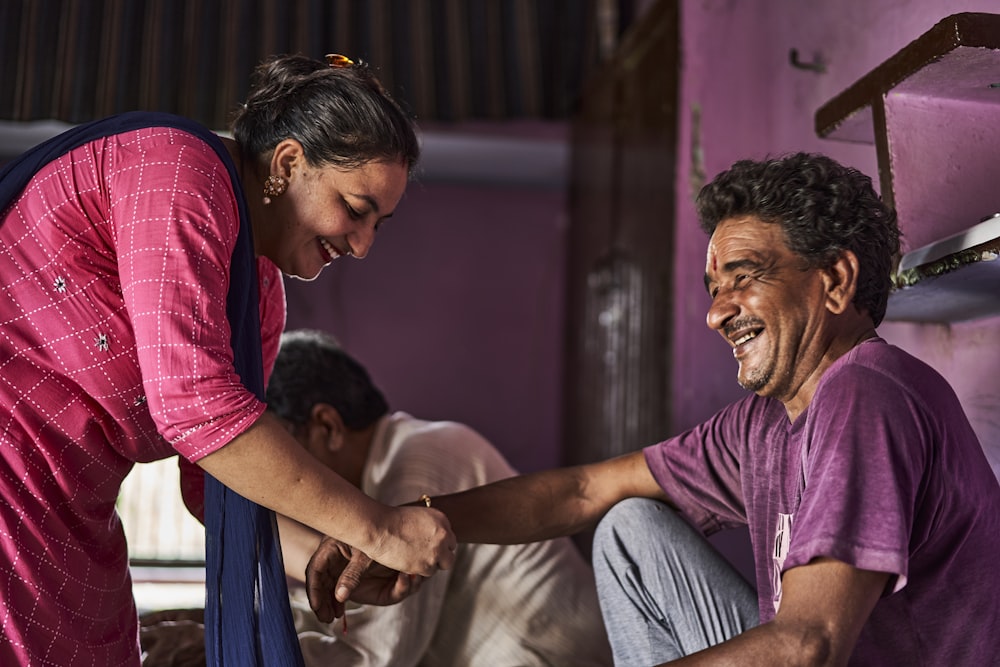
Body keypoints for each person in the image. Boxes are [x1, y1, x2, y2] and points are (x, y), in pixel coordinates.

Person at [312, 152, 1000, 665]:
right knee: (628, 528)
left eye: (746, 276)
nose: (716, 310)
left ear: (836, 281)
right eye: (712, 285)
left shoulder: (866, 394)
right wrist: (408, 524)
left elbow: (807, 643)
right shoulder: (765, 422)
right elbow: (588, 488)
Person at [0, 53, 456, 665]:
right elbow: (195, 406)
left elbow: (214, 480)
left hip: (72, 531)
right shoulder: (176, 170)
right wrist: (374, 527)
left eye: (381, 225)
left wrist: (331, 547)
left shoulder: (259, 297)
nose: (363, 245)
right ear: (289, 162)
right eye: (355, 209)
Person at [266, 328, 613, 666]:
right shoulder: (396, 461)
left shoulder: (419, 462)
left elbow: (380, 655)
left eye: (279, 454)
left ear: (327, 426)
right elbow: (358, 617)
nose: (274, 478)